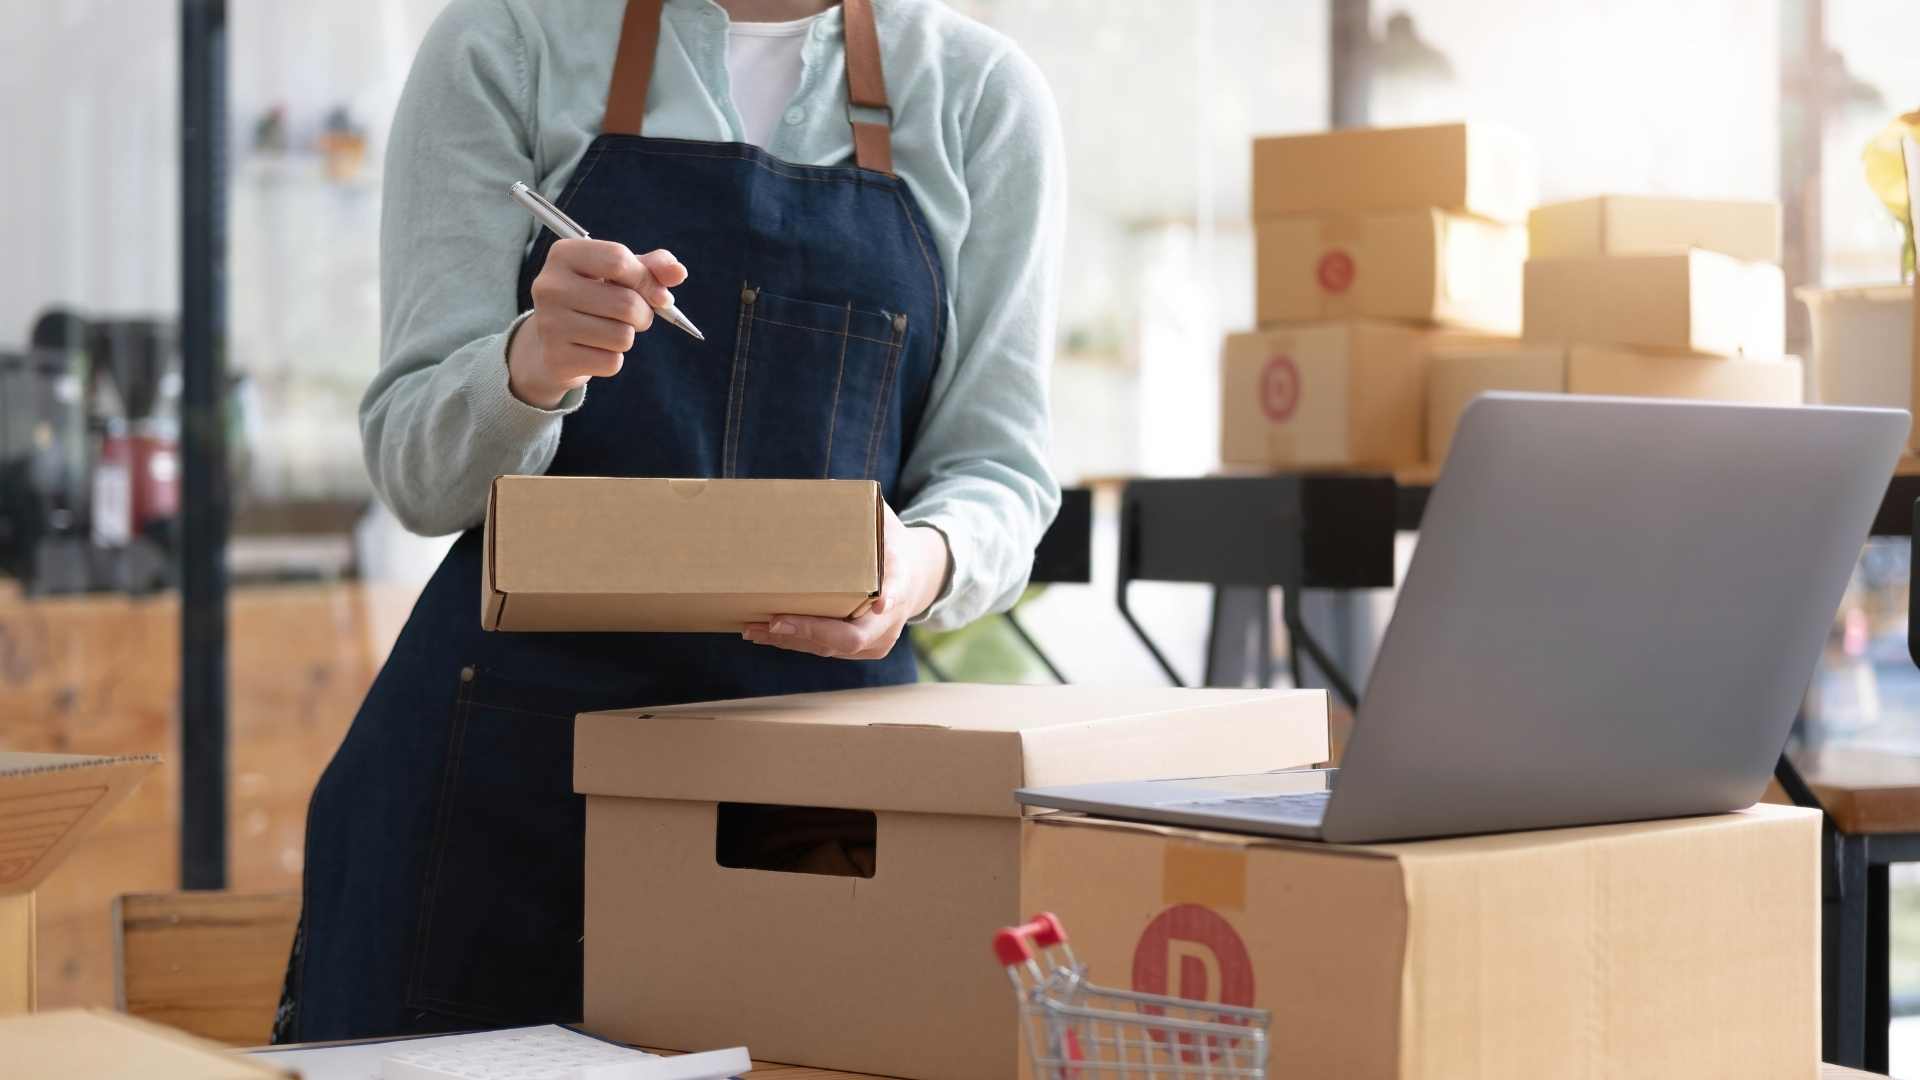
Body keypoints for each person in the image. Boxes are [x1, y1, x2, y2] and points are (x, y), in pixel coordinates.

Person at [274, 0, 1064, 1043]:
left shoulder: (979, 94)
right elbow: (421, 477)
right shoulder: (510, 41)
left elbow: (998, 471)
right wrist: (532, 365)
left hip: (821, 800)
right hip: (498, 785)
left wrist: (915, 565)